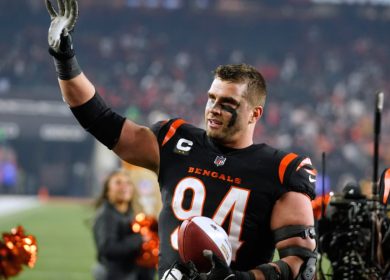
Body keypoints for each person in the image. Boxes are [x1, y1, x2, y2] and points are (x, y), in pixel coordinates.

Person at [45, 1, 318, 279]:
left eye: (228, 102)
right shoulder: (175, 140)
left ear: (254, 113)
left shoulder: (282, 169)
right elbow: (100, 120)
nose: (214, 108)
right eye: (211, 98)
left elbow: (302, 264)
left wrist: (242, 279)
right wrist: (64, 59)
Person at [92, 169, 155, 280]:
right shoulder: (106, 216)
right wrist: (139, 240)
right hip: (113, 274)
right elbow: (107, 249)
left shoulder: (129, 213)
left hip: (128, 272)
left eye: (128, 183)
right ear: (108, 190)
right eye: (118, 183)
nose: (124, 187)